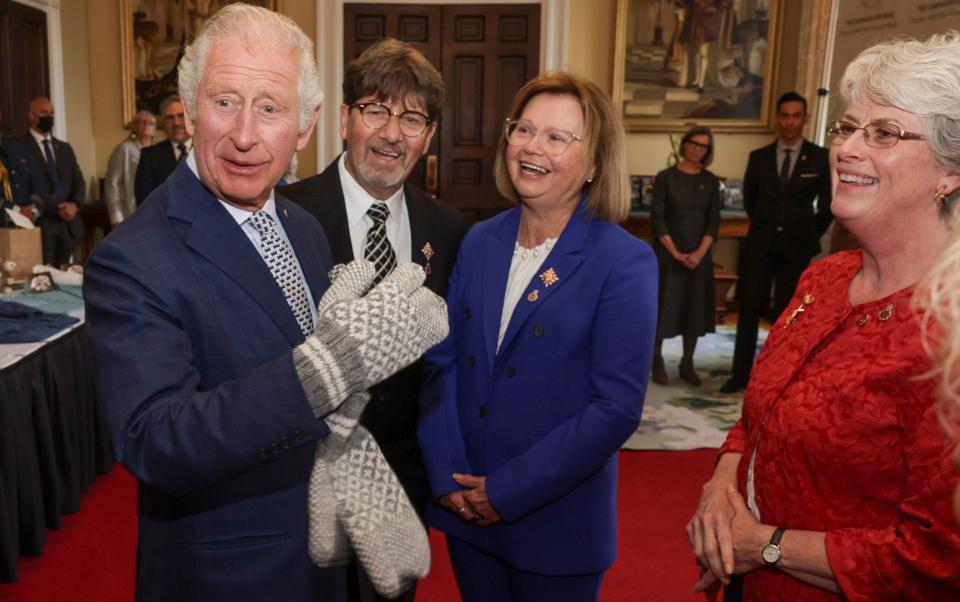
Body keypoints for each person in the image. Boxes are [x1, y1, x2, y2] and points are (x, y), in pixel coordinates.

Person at [83, 5, 447, 601]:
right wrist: (324, 373)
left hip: (325, 555)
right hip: (231, 576)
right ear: (190, 109)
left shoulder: (300, 226)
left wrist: (357, 460)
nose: (246, 135)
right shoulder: (132, 257)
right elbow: (154, 439)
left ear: (305, 128)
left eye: (271, 109)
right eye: (225, 101)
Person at [688, 32, 960, 601]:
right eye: (846, 127)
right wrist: (719, 484)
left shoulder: (949, 333)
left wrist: (761, 545)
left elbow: (936, 558)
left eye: (883, 133)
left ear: (949, 174)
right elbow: (759, 413)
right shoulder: (825, 276)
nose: (846, 148)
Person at [418, 71, 658, 602]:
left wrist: (505, 492)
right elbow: (443, 362)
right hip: (467, 516)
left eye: (556, 138)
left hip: (555, 527)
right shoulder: (480, 240)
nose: (532, 147)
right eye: (523, 130)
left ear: (594, 162)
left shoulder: (624, 261)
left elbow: (615, 408)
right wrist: (444, 474)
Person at [281, 37, 468, 602]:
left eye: (412, 118)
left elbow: (448, 365)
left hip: (404, 481)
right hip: (304, 475)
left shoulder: (451, 229)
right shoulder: (287, 215)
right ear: (343, 118)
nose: (392, 133)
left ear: (429, 136)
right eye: (375, 110)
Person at [719, 91, 832, 394]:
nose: (790, 122)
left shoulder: (820, 158)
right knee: (749, 308)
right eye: (785, 115)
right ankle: (739, 375)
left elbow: (827, 206)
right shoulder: (758, 158)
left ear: (805, 119)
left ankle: (776, 377)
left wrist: (808, 233)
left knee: (788, 314)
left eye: (796, 115)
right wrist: (766, 228)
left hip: (796, 248)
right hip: (760, 246)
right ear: (777, 118)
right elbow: (751, 202)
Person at [650, 125, 720, 386]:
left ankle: (687, 362)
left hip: (699, 257)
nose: (697, 149)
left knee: (694, 309)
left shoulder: (711, 182)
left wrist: (699, 253)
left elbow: (713, 222)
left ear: (707, 151)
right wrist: (677, 253)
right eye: (693, 143)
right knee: (662, 308)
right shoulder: (665, 177)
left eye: (703, 146)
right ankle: (656, 359)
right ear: (684, 144)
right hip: (668, 255)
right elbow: (657, 220)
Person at [18, 96, 85, 266]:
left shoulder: (64, 148)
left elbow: (78, 181)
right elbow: (23, 186)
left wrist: (75, 205)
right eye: (43, 112)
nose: (49, 116)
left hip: (68, 224)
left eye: (51, 113)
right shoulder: (20, 148)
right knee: (43, 276)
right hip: (41, 223)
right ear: (31, 116)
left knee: (66, 277)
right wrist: (54, 206)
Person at [135, 95, 191, 206]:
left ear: (190, 118)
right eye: (170, 118)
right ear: (163, 122)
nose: (176, 123)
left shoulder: (209, 150)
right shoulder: (149, 156)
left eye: (181, 116)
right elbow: (145, 202)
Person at [103, 110, 156, 226]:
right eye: (141, 122)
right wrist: (116, 215)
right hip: (129, 211)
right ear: (134, 126)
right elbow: (112, 182)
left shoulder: (158, 151)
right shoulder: (124, 149)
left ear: (155, 128)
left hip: (153, 212)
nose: (146, 125)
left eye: (150, 122)